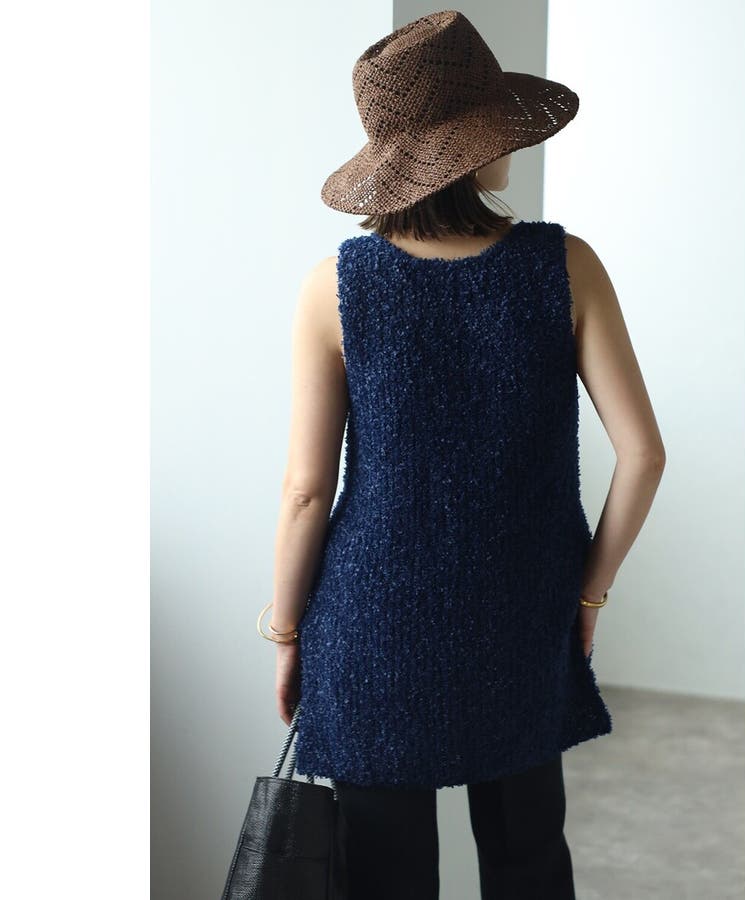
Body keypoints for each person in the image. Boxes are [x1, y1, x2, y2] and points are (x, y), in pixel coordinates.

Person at [259, 11, 666, 899]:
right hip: (522, 610)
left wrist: (287, 632)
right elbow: (642, 454)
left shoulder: (336, 285)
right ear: (474, 145)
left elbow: (304, 491)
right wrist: (589, 593)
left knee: (384, 875)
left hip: (370, 620)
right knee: (528, 859)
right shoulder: (568, 265)